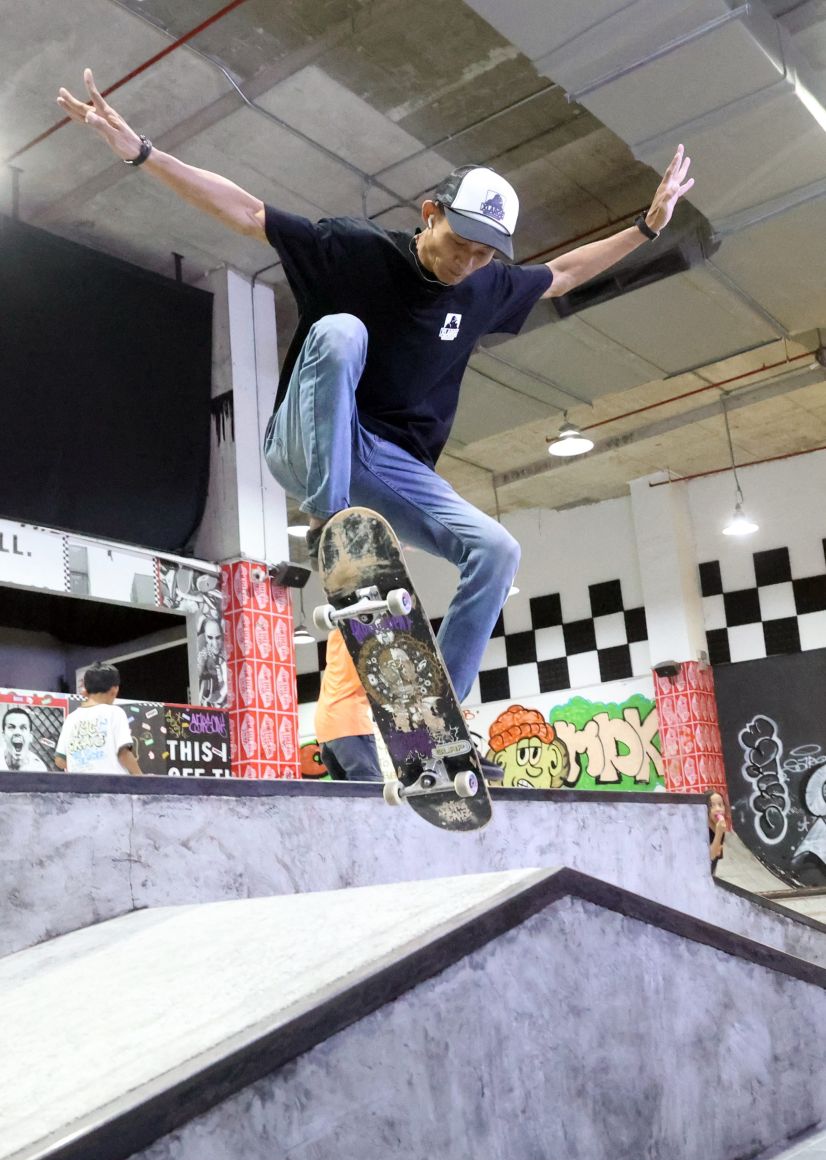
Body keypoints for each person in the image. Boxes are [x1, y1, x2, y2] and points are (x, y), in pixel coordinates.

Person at [57, 70, 694, 706]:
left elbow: (559, 274)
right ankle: (331, 524)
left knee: (498, 550)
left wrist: (646, 229)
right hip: (307, 441)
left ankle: (437, 708)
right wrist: (143, 153)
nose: (467, 264)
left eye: (484, 256)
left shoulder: (484, 288)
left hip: (392, 468)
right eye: (460, 244)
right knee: (340, 333)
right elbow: (248, 211)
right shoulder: (353, 249)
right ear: (430, 214)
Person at [314, 630, 383, 781]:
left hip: (325, 730)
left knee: (348, 796)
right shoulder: (360, 637)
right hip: (349, 724)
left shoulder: (335, 636)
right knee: (369, 790)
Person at [55, 662, 142, 775]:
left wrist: (87, 768)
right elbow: (124, 754)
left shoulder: (71, 718)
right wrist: (141, 777)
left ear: (85, 689)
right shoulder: (115, 713)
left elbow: (60, 760)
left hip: (79, 788)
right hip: (113, 787)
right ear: (114, 690)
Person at [0, 707, 48, 772]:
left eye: (23, 728)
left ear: (30, 736)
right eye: (11, 727)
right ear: (3, 735)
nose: (17, 732)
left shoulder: (38, 768)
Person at [707, 789, 729, 876]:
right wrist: (719, 833)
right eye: (712, 806)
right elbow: (710, 857)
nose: (718, 809)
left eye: (720, 805)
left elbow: (716, 855)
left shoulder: (719, 827)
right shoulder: (701, 829)